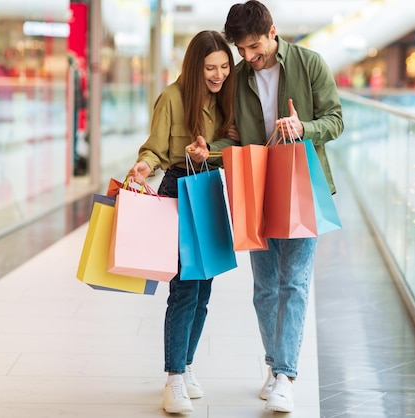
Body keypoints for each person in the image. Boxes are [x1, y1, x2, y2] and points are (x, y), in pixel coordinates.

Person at [223, 1, 344, 413]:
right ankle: (275, 366)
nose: (249, 58)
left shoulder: (310, 64)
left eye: (255, 47)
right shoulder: (239, 78)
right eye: (242, 51)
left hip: (303, 187)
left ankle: (286, 375)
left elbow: (336, 119)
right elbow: (232, 136)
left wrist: (303, 127)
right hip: (258, 187)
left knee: (293, 282)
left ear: (273, 32)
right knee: (264, 289)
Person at [125, 30, 237, 414]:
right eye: (210, 68)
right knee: (185, 287)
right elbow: (154, 148)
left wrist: (212, 152)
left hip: (208, 188)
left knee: (205, 289)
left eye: (224, 67)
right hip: (178, 188)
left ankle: (186, 367)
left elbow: (233, 145)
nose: (218, 75)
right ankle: (173, 377)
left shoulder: (228, 100)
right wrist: (145, 164)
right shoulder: (172, 98)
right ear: (195, 66)